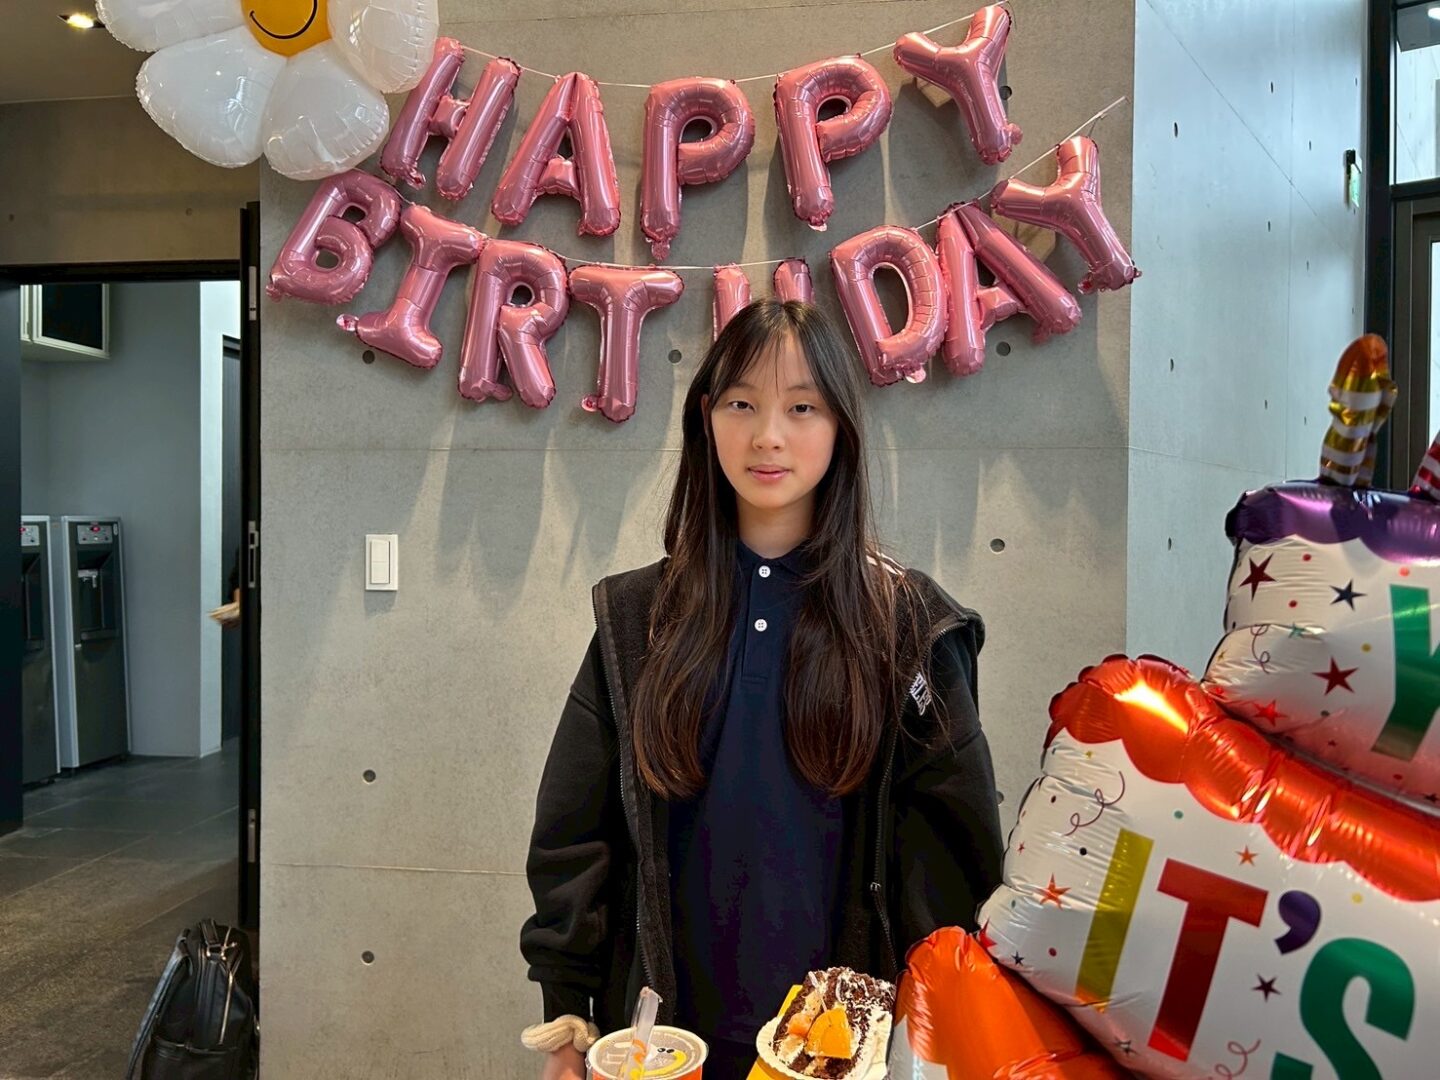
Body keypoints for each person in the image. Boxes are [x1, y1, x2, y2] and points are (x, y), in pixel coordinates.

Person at [519, 301, 1004, 1080]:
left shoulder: (906, 625)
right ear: (706, 418)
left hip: (843, 1048)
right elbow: (577, 834)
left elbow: (954, 866)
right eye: (742, 404)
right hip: (666, 1042)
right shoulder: (638, 617)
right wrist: (569, 1016)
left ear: (841, 427)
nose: (768, 436)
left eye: (801, 408)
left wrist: (931, 1038)